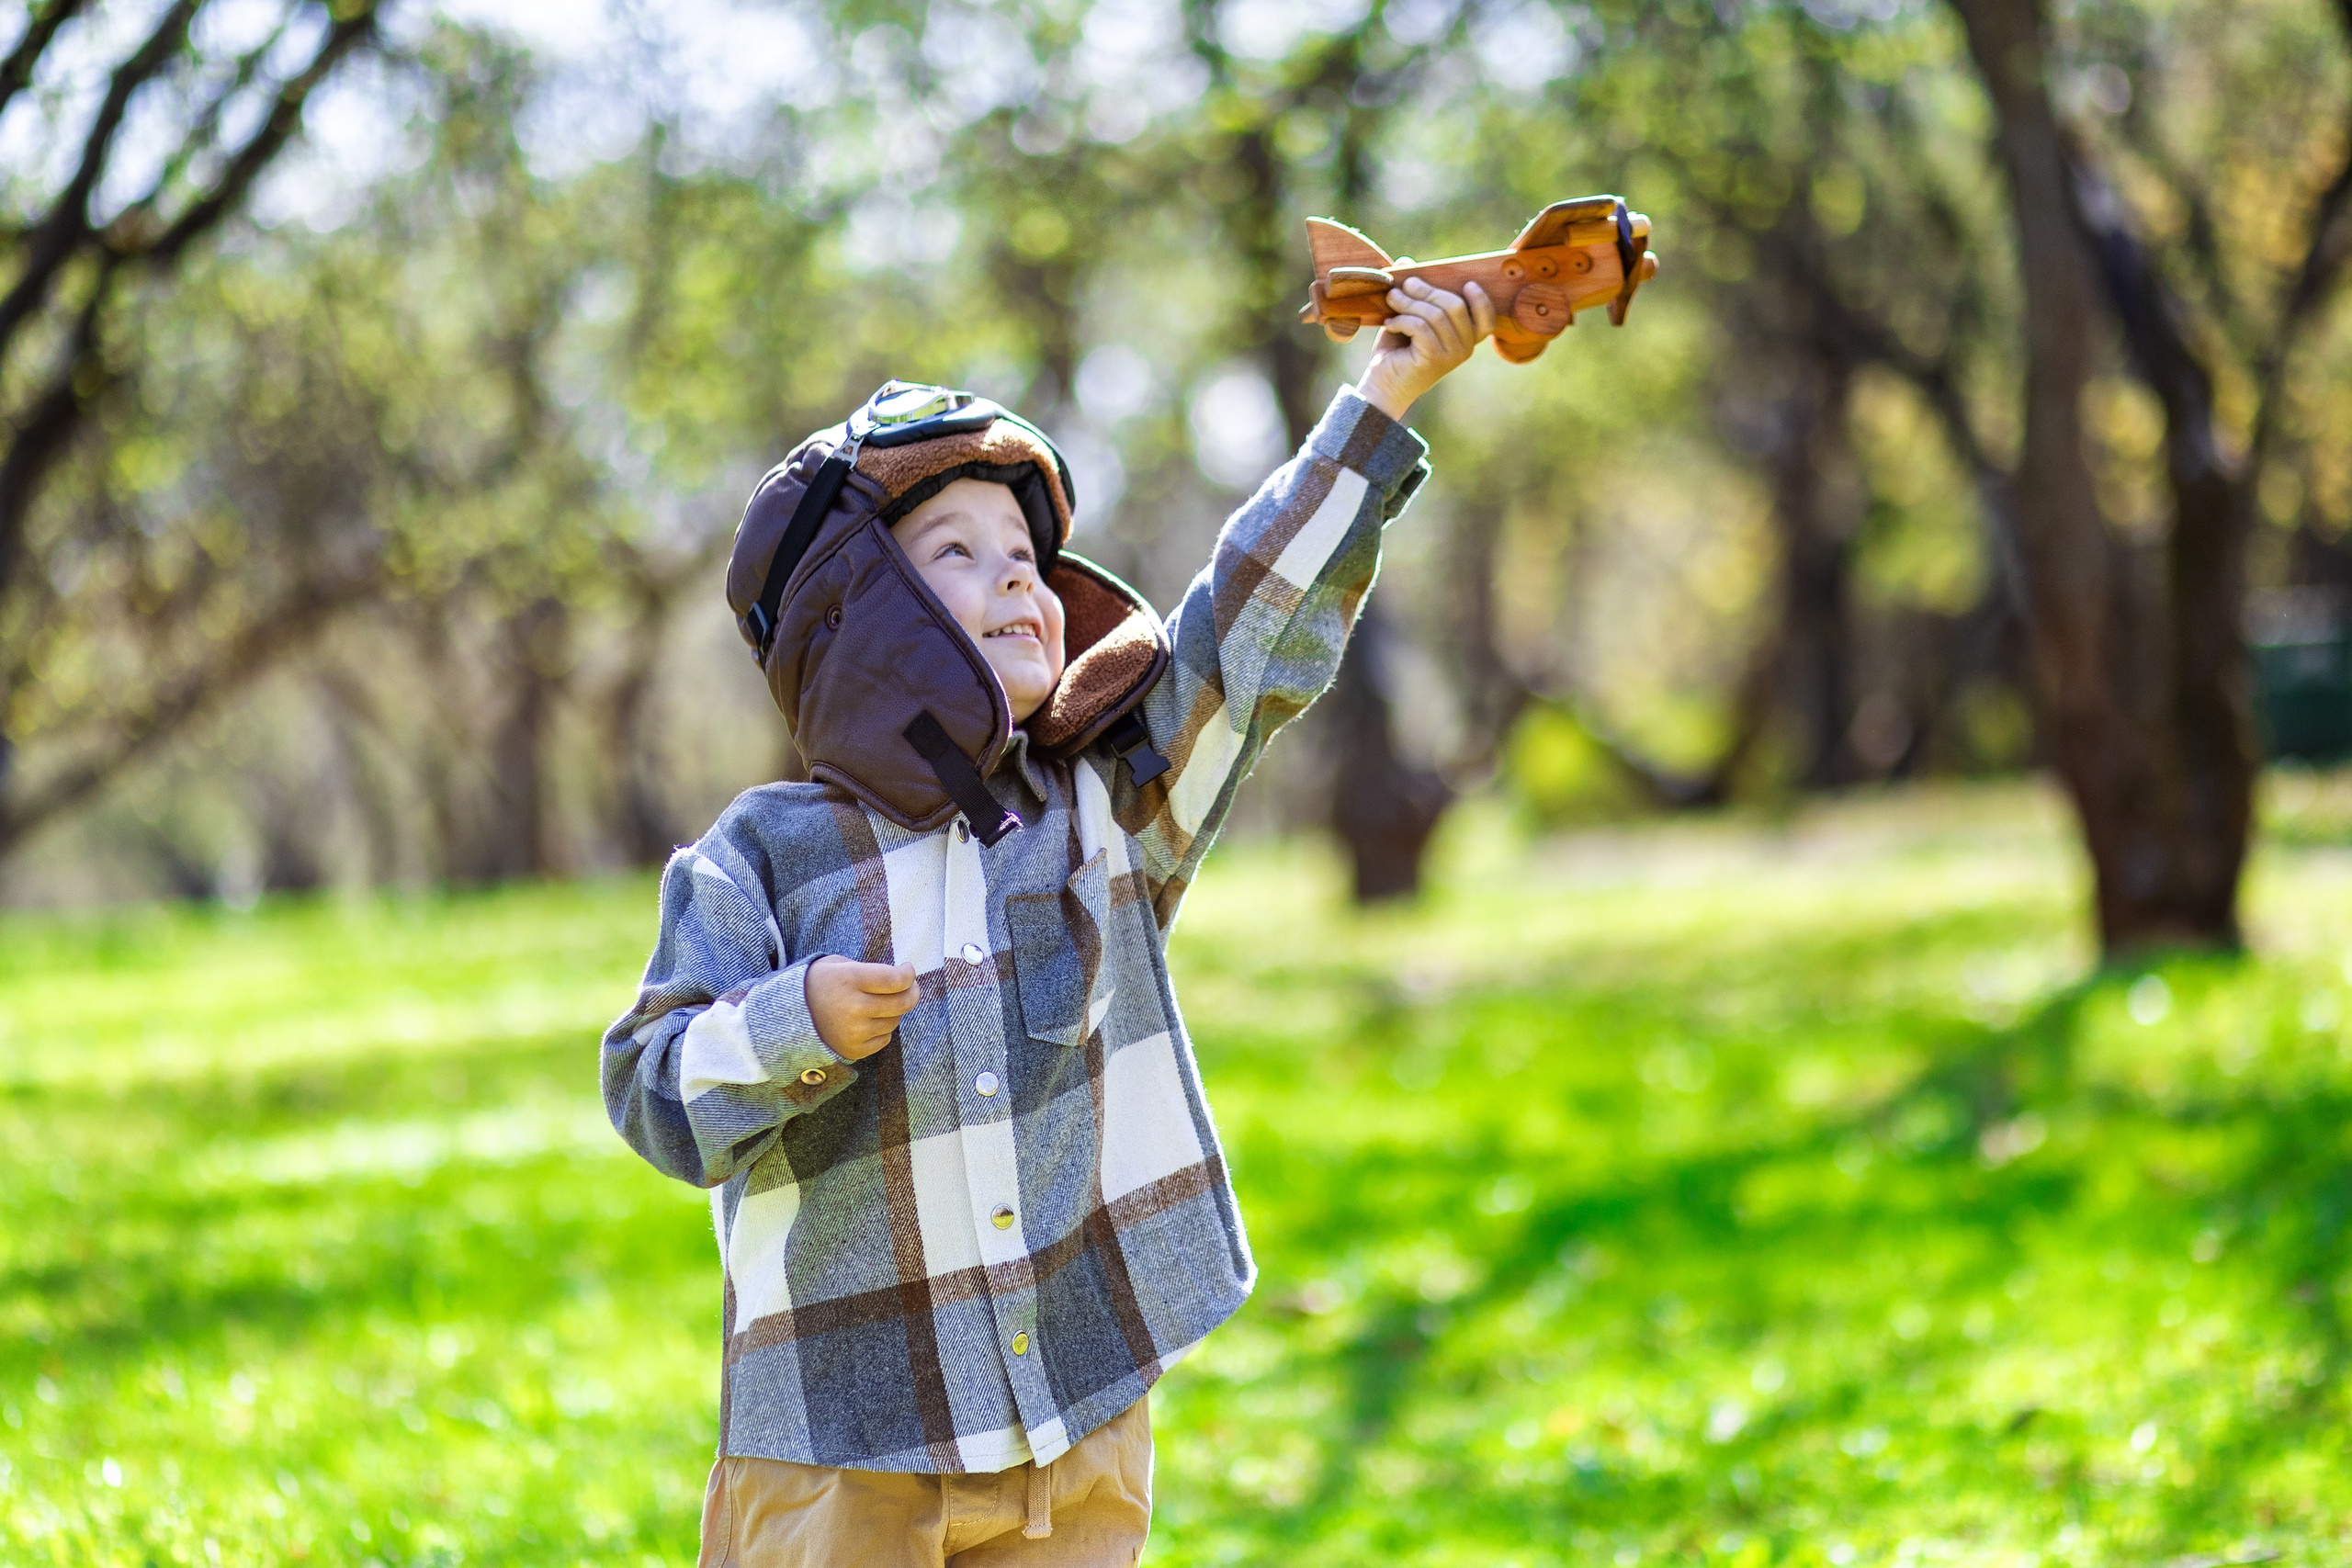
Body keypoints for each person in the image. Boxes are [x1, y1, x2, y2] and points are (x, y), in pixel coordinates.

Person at [602, 275, 1496, 1567]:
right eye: (957, 554)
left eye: (1026, 557)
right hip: (845, 1453)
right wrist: (793, 1024)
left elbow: (1246, 635)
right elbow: (652, 1086)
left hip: (1075, 1426)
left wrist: (1383, 396)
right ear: (851, 616)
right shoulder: (764, 859)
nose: (1019, 583)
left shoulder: (1111, 813)